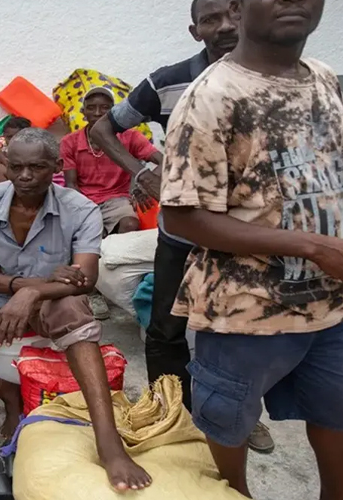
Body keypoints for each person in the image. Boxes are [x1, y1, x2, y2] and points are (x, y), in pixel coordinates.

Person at [161, 0, 341, 497]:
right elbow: (180, 214)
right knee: (228, 422)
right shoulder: (213, 95)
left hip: (331, 306)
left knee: (335, 413)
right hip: (245, 314)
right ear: (241, 7)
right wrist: (311, 246)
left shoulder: (324, 78)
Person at [0, 128, 152, 492]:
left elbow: (85, 280)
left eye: (36, 168)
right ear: (6, 166)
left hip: (56, 302)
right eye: (16, 167)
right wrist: (34, 285)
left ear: (56, 166)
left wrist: (34, 294)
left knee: (74, 310)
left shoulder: (81, 209)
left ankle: (108, 441)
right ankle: (5, 394)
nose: (24, 177)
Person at [88, 0, 278, 454]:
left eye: (235, 12)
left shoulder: (278, 76)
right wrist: (139, 171)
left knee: (242, 332)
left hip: (252, 238)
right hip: (182, 233)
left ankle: (238, 417)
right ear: (196, 30)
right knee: (166, 331)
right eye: (212, 18)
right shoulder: (167, 81)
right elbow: (102, 130)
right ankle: (170, 412)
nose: (226, 26)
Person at [63, 87, 161, 235]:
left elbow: (166, 161)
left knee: (130, 224)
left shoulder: (131, 137)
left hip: (118, 200)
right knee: (86, 232)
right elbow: (71, 184)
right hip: (84, 200)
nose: (97, 113)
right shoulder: (70, 142)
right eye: (91, 108)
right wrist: (86, 212)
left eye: (104, 108)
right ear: (83, 113)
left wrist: (145, 184)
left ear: (113, 112)